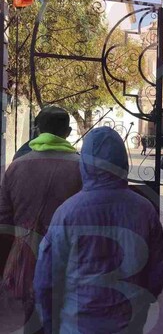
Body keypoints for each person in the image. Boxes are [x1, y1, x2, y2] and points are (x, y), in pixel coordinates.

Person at [33, 127, 163, 333]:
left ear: (85, 163)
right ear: (123, 161)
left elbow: (46, 280)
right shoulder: (144, 209)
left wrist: (50, 323)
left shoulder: (68, 213)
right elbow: (158, 269)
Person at [0, 106, 82, 334]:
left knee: (32, 318)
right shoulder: (82, 167)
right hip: (69, 259)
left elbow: (4, 220)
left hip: (27, 258)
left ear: (37, 130)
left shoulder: (16, 167)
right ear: (68, 131)